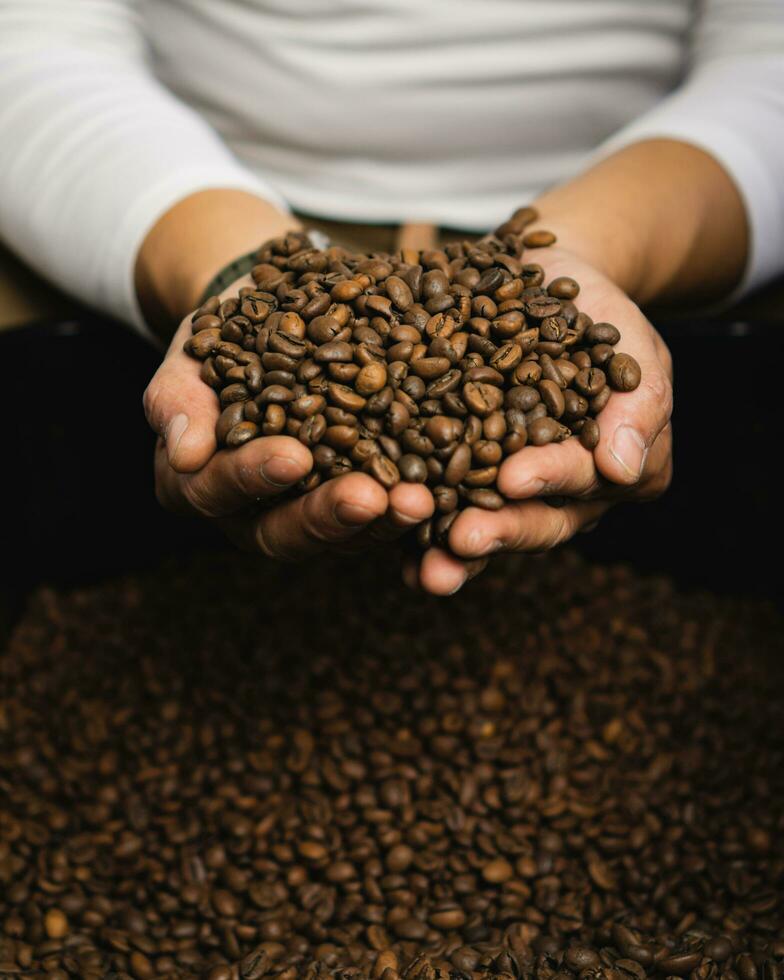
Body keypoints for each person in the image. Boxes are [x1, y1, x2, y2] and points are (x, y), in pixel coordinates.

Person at [1, 1, 782, 595]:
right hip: (157, 191)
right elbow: (30, 38)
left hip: (670, 203)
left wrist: (588, 245)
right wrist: (224, 261)